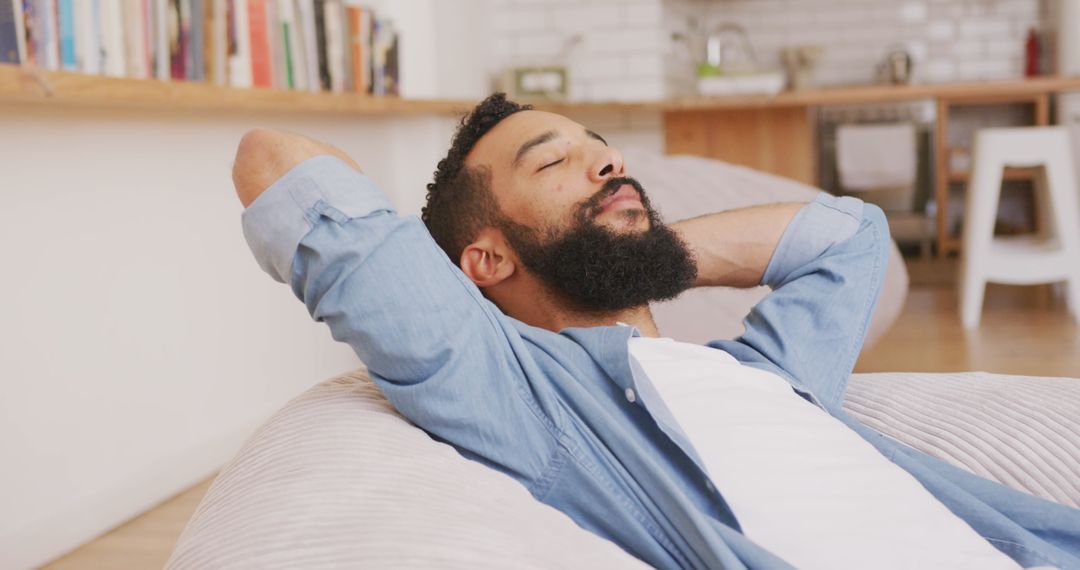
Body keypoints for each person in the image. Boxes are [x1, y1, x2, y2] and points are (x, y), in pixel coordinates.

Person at [234, 94, 1080, 570]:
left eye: (600, 148)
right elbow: (273, 159)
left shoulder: (769, 372)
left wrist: (653, 256)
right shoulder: (521, 391)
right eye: (551, 160)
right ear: (484, 260)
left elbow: (848, 237)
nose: (607, 162)